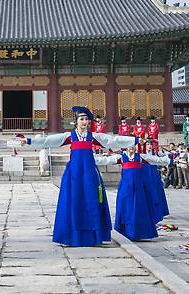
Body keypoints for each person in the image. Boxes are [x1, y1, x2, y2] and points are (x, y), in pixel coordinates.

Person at [18, 106, 141, 247]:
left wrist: (134, 141)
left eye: (86, 119)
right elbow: (48, 141)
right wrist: (29, 141)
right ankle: (72, 235)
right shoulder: (70, 136)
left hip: (89, 173)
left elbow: (112, 141)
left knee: (91, 201)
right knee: (73, 201)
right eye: (81, 119)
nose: (84, 122)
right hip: (74, 174)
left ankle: (92, 236)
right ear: (75, 121)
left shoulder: (93, 137)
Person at [96, 143, 173, 241]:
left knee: (138, 210)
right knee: (126, 209)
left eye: (133, 145)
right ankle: (126, 232)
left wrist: (169, 159)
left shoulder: (140, 157)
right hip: (126, 188)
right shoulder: (122, 157)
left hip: (138, 189)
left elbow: (156, 160)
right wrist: (91, 158)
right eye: (129, 145)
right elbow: (105, 160)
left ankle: (139, 233)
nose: (132, 147)